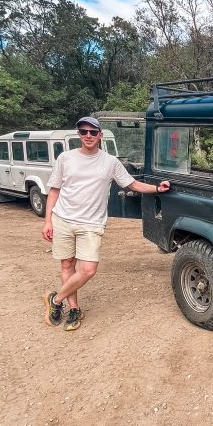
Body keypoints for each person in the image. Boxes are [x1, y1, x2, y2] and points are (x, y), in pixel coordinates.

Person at [42, 116, 170, 331]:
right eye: (84, 132)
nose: (88, 136)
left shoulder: (110, 162)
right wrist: (47, 221)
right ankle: (73, 309)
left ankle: (55, 300)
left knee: (89, 269)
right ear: (79, 135)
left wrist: (157, 188)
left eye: (93, 132)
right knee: (67, 265)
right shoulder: (65, 158)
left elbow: (132, 184)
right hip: (62, 219)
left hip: (91, 223)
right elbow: (54, 189)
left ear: (100, 135)